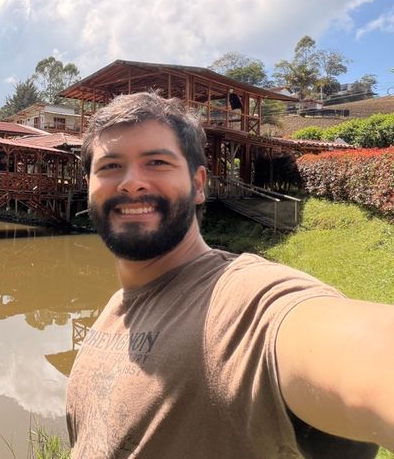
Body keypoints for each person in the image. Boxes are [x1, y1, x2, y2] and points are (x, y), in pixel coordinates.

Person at [65, 91, 394, 458]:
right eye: (110, 166)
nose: (131, 182)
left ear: (199, 185)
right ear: (90, 186)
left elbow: (361, 351)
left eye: (156, 162)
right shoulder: (116, 307)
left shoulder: (244, 301)